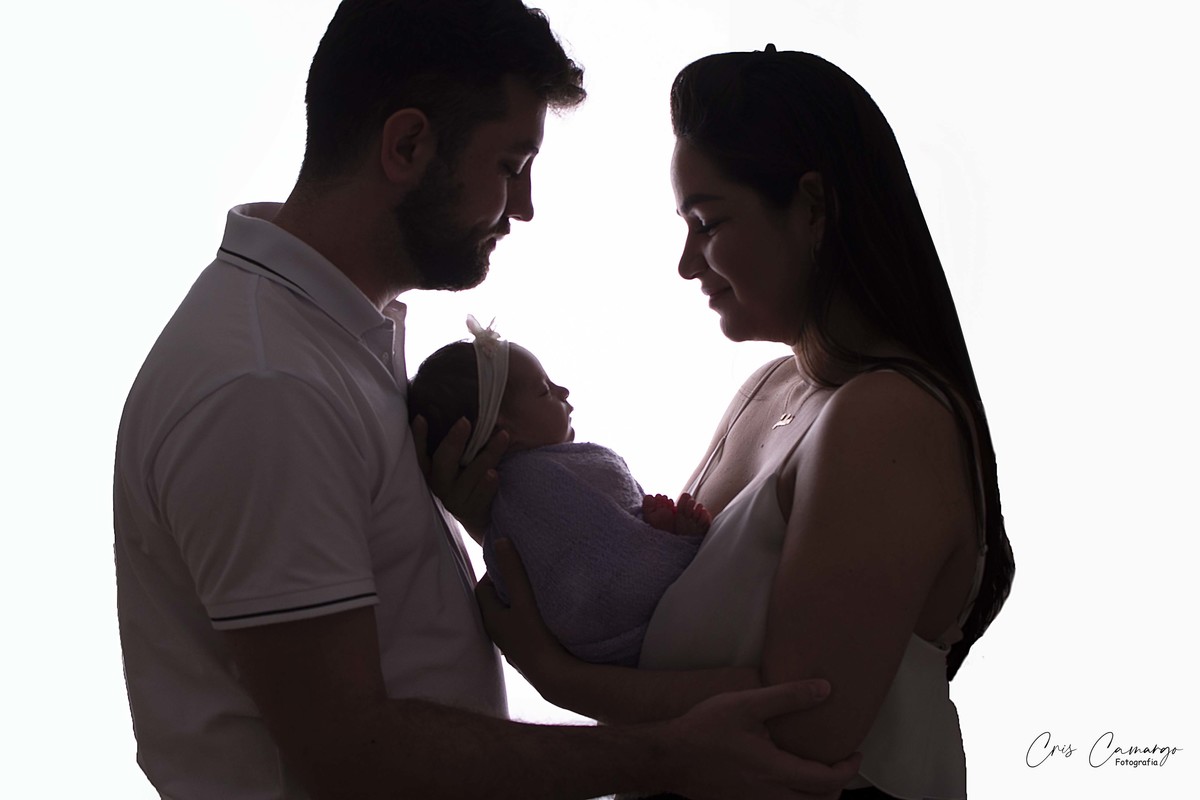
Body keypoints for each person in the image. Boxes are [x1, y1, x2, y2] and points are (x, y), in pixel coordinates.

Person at [112, 2, 861, 797]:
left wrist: (499, 525)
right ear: (408, 145)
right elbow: (346, 754)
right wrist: (664, 754)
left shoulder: (330, 346)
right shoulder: (268, 386)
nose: (524, 206)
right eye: (510, 164)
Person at [475, 46, 1016, 800]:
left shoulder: (889, 418)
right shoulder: (767, 389)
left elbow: (798, 722)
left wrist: (557, 676)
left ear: (813, 208)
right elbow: (634, 602)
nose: (687, 263)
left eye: (708, 222)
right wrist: (497, 500)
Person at [409, 317, 710, 667]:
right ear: (502, 431)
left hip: (595, 646)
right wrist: (652, 529)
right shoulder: (553, 476)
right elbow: (596, 547)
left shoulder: (500, 509)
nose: (563, 391)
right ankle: (665, 543)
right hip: (644, 605)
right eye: (544, 391)